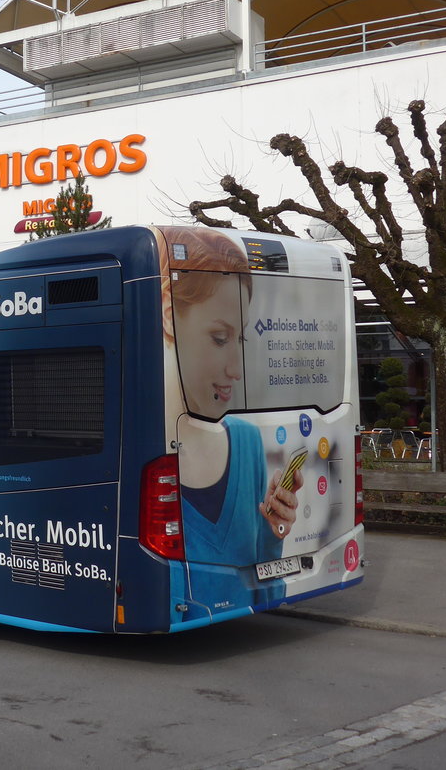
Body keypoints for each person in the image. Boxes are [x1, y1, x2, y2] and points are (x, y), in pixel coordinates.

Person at [160, 227, 301, 610]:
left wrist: (275, 533)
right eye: (220, 339)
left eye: (239, 341)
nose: (236, 371)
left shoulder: (246, 441)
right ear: (170, 316)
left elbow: (262, 589)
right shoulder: (140, 445)